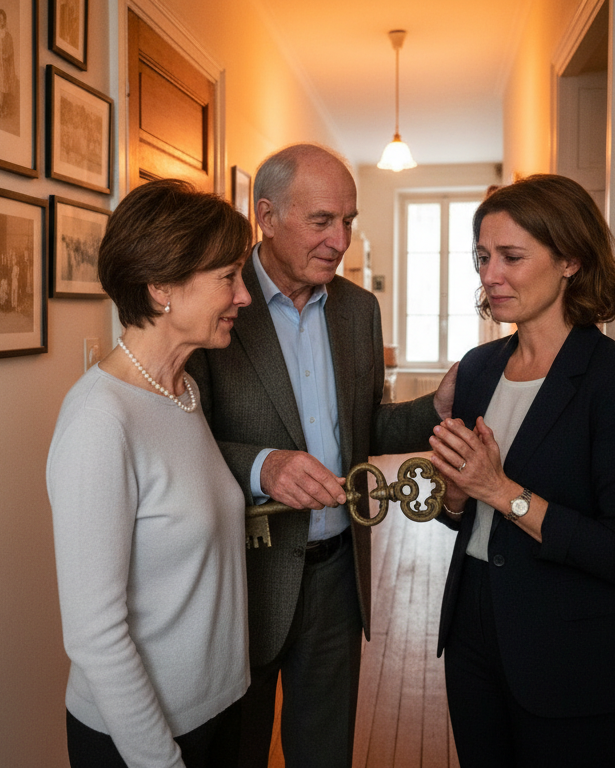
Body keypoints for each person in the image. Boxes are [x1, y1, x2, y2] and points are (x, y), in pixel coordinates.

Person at [184, 143, 456, 768]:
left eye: (349, 221)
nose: (341, 240)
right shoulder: (218, 303)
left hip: (337, 577)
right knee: (235, 751)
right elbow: (180, 440)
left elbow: (368, 430)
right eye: (322, 221)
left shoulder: (359, 310)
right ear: (266, 215)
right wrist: (263, 467)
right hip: (243, 577)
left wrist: (434, 406)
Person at [428, 175, 615, 767]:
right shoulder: (479, 369)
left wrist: (502, 491)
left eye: (512, 257)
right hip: (474, 632)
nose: (491, 275)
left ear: (570, 259)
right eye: (483, 257)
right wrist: (458, 498)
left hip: (576, 651)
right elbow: (459, 515)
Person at [48, 179, 254, 767]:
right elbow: (94, 634)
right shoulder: (99, 420)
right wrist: (158, 760)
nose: (243, 296)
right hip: (142, 739)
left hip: (219, 709)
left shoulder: (182, 392)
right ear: (161, 286)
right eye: (227, 278)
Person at [0, 9, 15, 116]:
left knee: (2, 87)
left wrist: (4, 56)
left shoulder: (8, 35)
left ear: (4, 21)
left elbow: (10, 51)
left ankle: (2, 108)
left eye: (1, 19)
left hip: (4, 65)